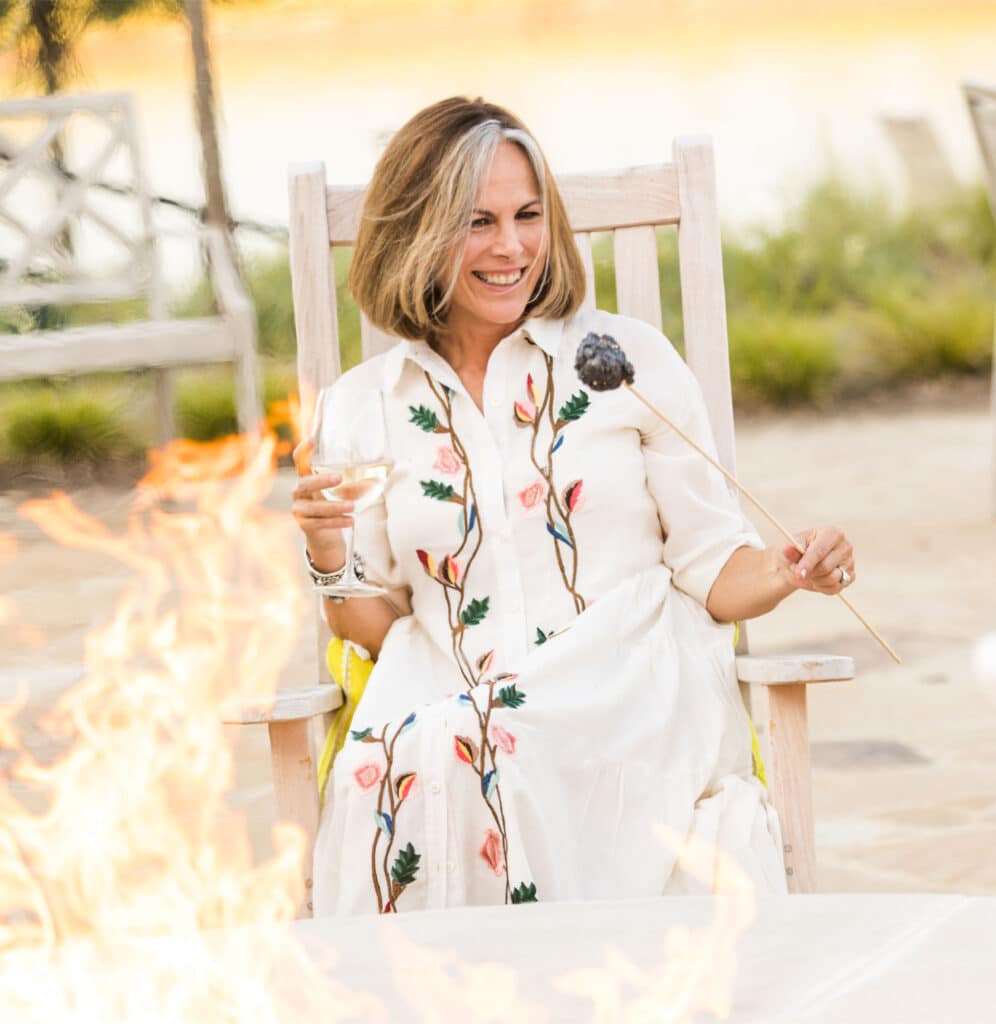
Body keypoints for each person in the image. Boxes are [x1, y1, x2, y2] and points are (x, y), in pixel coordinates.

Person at [291, 97, 856, 915]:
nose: (512, 247)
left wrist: (788, 567)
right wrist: (328, 553)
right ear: (416, 233)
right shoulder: (362, 406)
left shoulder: (628, 365)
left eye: (528, 216)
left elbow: (712, 567)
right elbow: (368, 626)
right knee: (428, 760)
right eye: (476, 221)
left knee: (491, 748)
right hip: (453, 696)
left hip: (626, 690)